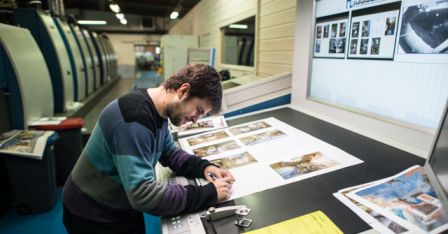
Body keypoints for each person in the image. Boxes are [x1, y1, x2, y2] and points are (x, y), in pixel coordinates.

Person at [62, 64, 235, 234]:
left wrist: (204, 167)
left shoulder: (157, 110)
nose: (196, 120)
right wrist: (206, 194)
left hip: (120, 204)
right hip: (93, 212)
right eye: (198, 110)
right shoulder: (135, 119)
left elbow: (169, 152)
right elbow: (143, 194)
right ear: (183, 91)